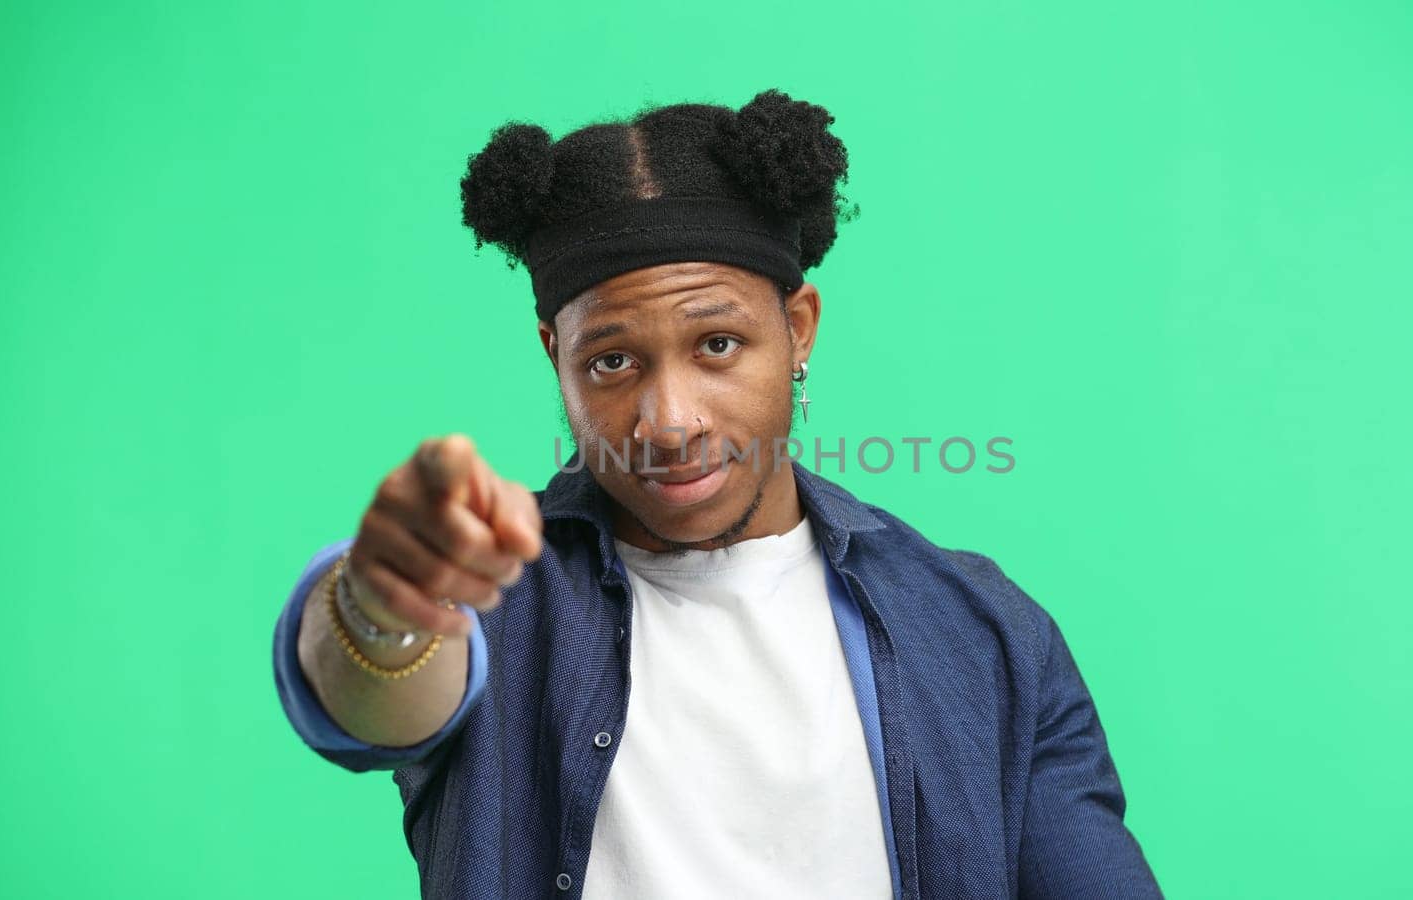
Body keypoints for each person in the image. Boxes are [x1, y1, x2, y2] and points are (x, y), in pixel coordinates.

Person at [272, 88, 1162, 899]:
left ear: (797, 328)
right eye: (611, 361)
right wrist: (381, 603)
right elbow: (369, 695)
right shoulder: (497, 595)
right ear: (557, 357)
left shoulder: (981, 635)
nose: (668, 420)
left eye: (718, 346)